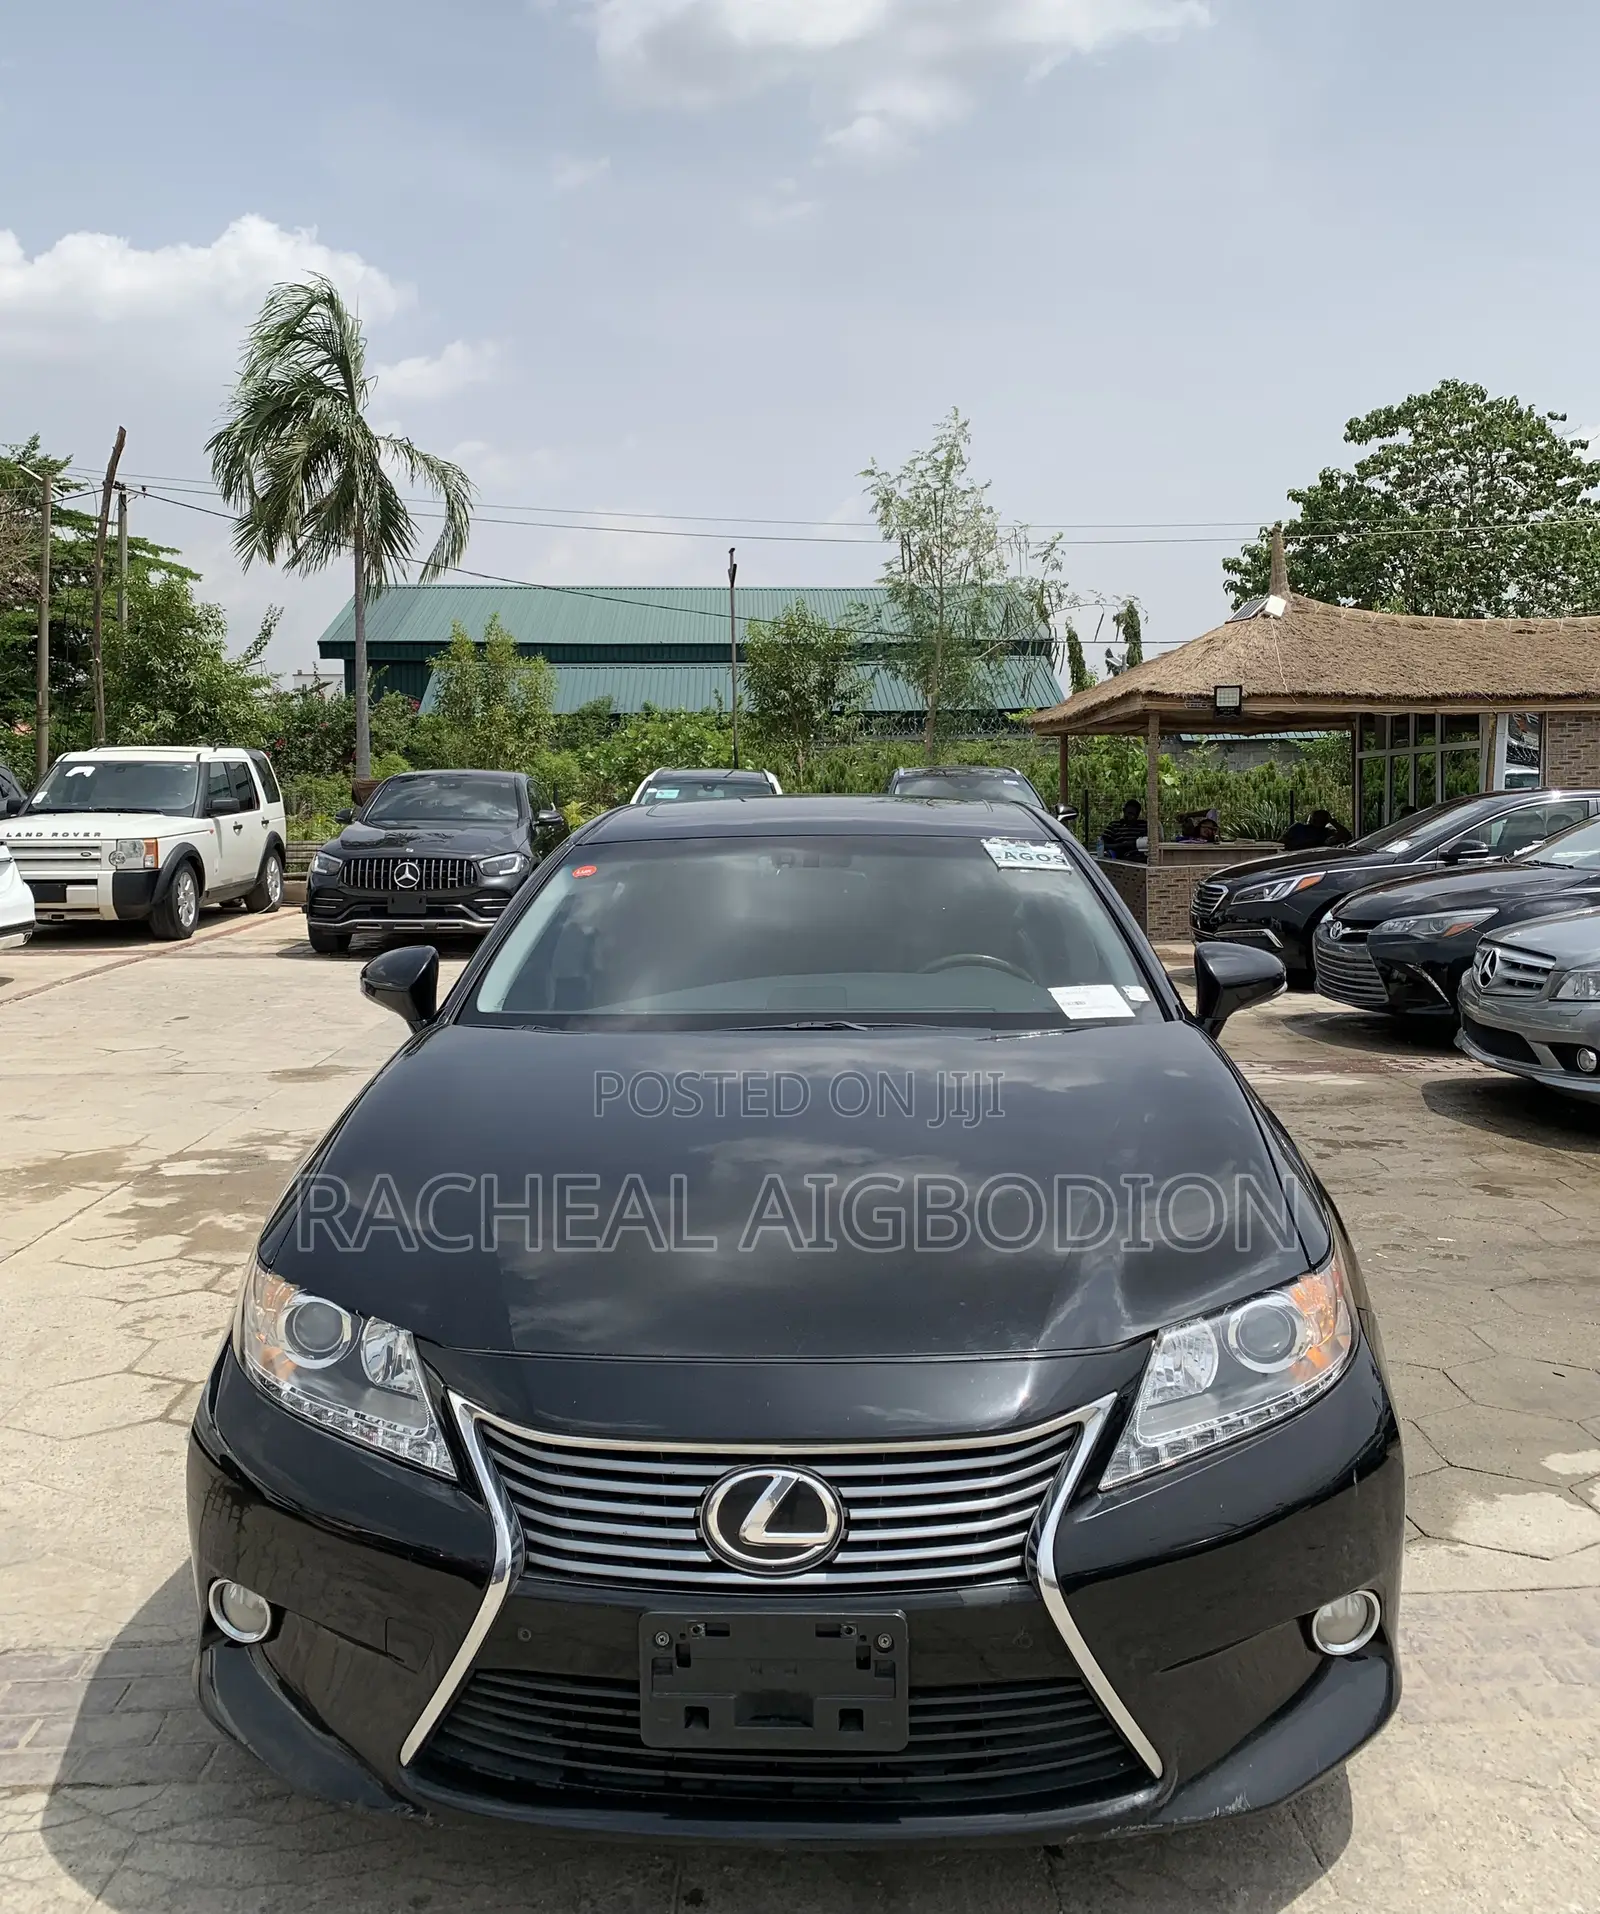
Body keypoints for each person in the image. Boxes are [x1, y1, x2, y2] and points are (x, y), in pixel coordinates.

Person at [1282, 808, 1352, 852]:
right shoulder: (1298, 828)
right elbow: (1281, 842)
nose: (1318, 822)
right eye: (1316, 819)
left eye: (1321, 820)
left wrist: (1334, 823)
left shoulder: (1327, 832)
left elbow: (1347, 837)